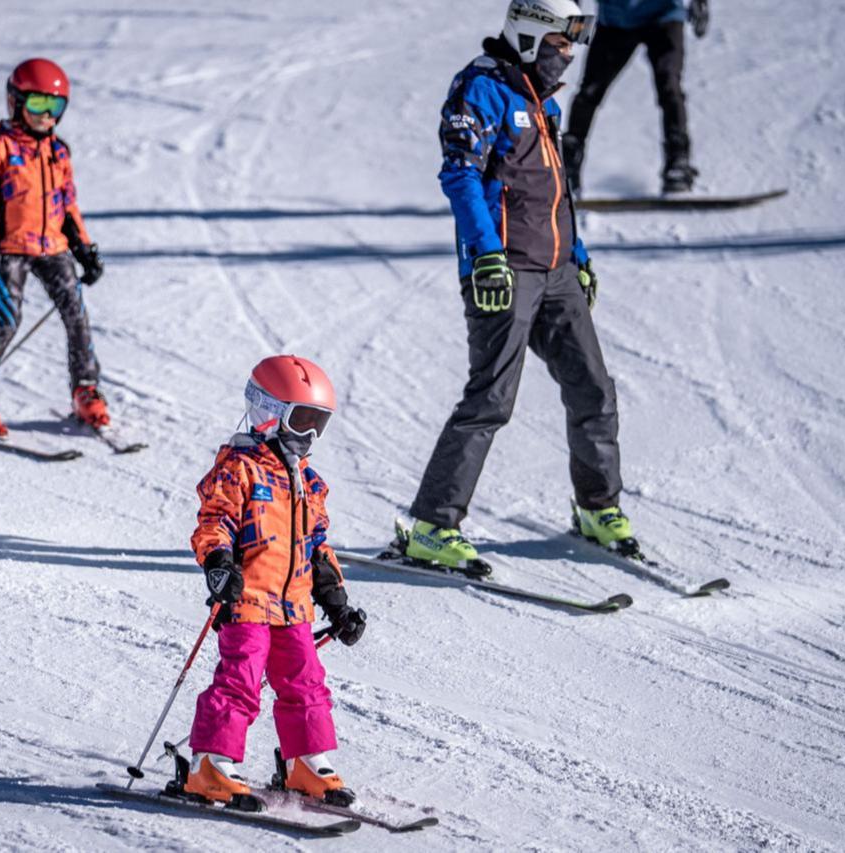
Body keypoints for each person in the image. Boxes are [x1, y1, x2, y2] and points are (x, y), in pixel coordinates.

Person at [404, 0, 638, 574]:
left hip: (556, 271)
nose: (569, 55)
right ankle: (432, 526)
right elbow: (459, 175)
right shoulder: (480, 89)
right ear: (531, 34)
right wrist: (485, 256)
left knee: (593, 390)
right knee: (491, 399)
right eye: (561, 43)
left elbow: (555, 189)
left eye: (572, 45)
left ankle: (597, 508)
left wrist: (578, 256)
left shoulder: (539, 98)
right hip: (504, 270)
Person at [184, 355, 367, 805]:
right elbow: (215, 521)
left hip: (295, 606)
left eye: (318, 424)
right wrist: (220, 565)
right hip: (247, 600)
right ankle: (211, 765)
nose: (309, 436)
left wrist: (337, 602)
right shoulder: (239, 467)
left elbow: (316, 545)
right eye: (301, 420)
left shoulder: (309, 482)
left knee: (305, 681)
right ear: (268, 411)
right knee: (239, 680)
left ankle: (304, 762)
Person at [0, 57, 108, 439]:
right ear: (15, 103)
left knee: (76, 314)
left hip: (53, 245)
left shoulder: (58, 152)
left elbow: (67, 204)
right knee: (7, 320)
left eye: (56, 107)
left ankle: (85, 389)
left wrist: (84, 248)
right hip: (8, 248)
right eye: (38, 106)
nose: (46, 116)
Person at [562, 0, 709, 195]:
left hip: (664, 16)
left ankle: (677, 165)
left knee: (670, 87)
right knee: (589, 92)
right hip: (615, 21)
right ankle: (567, 168)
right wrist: (567, 12)